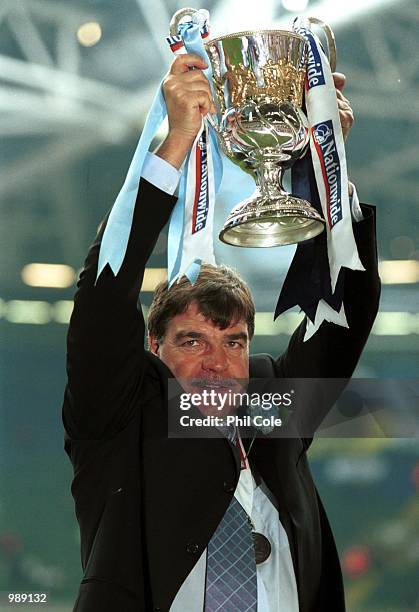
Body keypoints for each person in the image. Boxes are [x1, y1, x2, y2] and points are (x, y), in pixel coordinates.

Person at [63, 53, 380, 611]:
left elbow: (345, 312)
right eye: (192, 341)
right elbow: (105, 299)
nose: (217, 363)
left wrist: (328, 169)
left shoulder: (269, 413)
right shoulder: (121, 420)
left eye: (234, 342)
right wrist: (176, 140)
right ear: (152, 347)